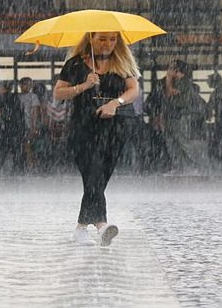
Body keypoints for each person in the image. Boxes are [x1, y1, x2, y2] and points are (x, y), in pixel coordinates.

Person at [54, 31, 140, 247]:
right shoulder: (75, 64)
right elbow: (58, 93)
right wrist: (83, 85)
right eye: (102, 39)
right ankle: (101, 225)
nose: (107, 44)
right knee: (93, 170)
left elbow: (133, 90)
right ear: (90, 38)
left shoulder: (122, 63)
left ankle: (82, 227)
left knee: (100, 176)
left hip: (116, 127)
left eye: (113, 39)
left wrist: (115, 103)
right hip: (83, 127)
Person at [162, 60, 195, 171]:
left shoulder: (183, 81)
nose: (169, 71)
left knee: (182, 142)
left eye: (171, 69)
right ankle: (178, 166)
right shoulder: (175, 81)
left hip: (180, 115)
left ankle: (191, 166)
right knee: (171, 142)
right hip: (171, 115)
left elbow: (170, 91)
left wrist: (168, 79)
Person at [0, 81, 27, 175]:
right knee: (14, 150)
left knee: (7, 150)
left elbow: (12, 112)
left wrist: (0, 112)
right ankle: (18, 170)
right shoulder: (11, 97)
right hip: (13, 128)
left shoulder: (8, 97)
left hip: (12, 128)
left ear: (3, 89)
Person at [18, 77, 41, 172]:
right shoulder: (17, 97)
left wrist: (34, 125)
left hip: (28, 125)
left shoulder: (33, 97)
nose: (27, 87)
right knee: (24, 146)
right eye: (25, 84)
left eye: (29, 85)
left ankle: (31, 165)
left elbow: (35, 112)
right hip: (20, 125)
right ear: (20, 85)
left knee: (28, 146)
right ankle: (28, 165)